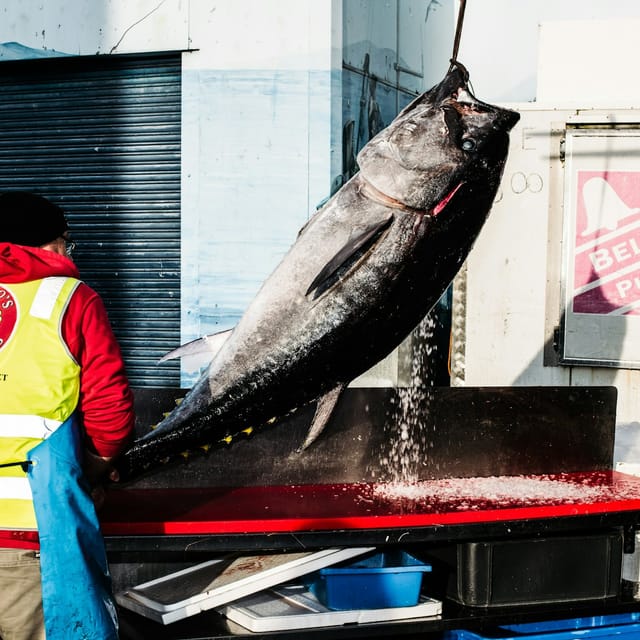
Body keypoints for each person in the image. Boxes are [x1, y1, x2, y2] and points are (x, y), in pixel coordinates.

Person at [0, 191, 135, 640]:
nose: (67, 252)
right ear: (42, 244)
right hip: (30, 528)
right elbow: (110, 413)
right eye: (65, 241)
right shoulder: (70, 299)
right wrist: (92, 470)